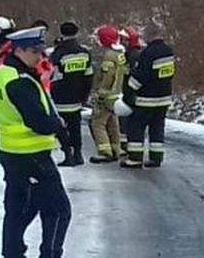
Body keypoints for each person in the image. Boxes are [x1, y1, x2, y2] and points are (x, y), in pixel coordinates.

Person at [0, 26, 80, 258]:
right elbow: (37, 121)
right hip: (32, 154)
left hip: (10, 151)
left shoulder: (0, 73)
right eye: (35, 51)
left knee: (18, 209)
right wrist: (57, 125)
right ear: (19, 49)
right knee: (59, 208)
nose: (40, 57)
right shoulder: (20, 82)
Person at [123, 33, 176, 168]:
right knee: (157, 127)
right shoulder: (168, 51)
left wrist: (128, 91)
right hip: (164, 98)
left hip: (146, 99)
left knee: (136, 126)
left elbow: (141, 76)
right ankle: (156, 157)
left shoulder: (147, 53)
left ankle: (135, 158)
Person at [50, 21, 93, 167]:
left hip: (61, 97)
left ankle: (68, 155)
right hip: (77, 97)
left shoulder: (58, 54)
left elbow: (53, 77)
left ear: (62, 34)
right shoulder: (84, 53)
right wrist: (84, 96)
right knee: (75, 126)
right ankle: (78, 154)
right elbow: (88, 77)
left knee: (61, 127)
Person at [88, 25, 126, 163]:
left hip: (107, 95)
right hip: (117, 95)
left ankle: (104, 151)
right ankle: (116, 148)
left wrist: (100, 94)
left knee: (97, 123)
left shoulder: (109, 56)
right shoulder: (120, 54)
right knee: (112, 123)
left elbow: (107, 77)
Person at [118, 26, 143, 155]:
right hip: (127, 93)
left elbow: (134, 75)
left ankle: (128, 146)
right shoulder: (128, 54)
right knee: (123, 120)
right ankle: (123, 145)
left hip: (132, 94)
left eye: (124, 40)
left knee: (129, 122)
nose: (121, 42)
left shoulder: (135, 56)